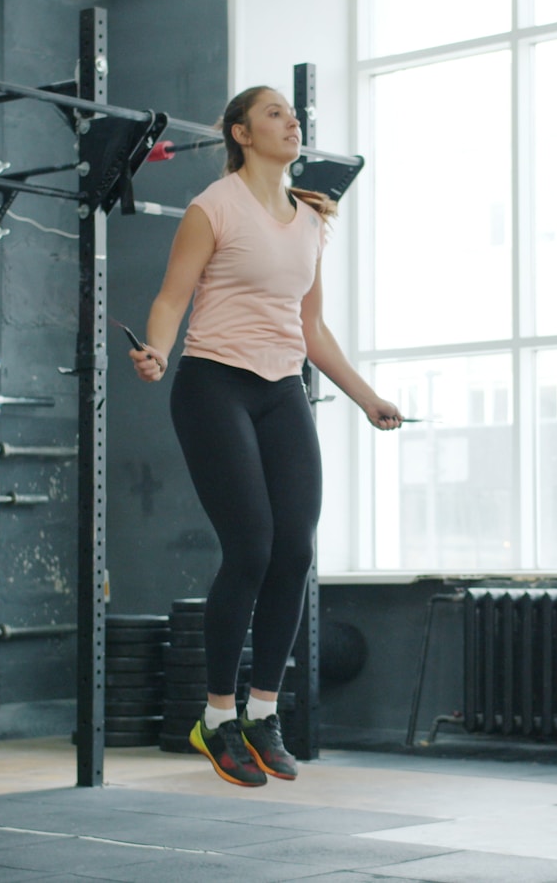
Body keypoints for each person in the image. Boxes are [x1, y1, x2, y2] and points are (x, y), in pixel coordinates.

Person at [129, 85, 402, 787]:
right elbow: (171, 298)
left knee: (295, 551)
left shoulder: (311, 220)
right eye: (276, 112)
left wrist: (367, 397)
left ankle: (262, 712)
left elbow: (312, 329)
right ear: (241, 133)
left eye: (294, 113)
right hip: (213, 383)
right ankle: (216, 717)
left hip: (282, 389)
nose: (293, 121)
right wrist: (157, 350)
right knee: (250, 545)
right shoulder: (213, 207)